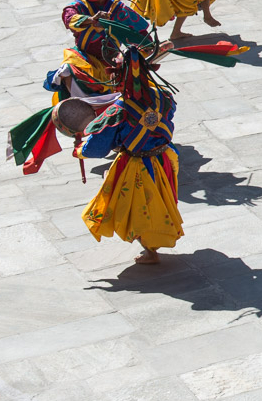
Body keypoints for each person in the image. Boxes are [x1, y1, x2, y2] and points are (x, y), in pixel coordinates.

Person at [77, 45, 183, 265]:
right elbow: (168, 115)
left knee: (140, 207)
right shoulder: (163, 97)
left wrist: (81, 151)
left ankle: (151, 250)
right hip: (164, 158)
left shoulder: (120, 109)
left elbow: (100, 144)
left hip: (137, 164)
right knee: (160, 201)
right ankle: (154, 243)